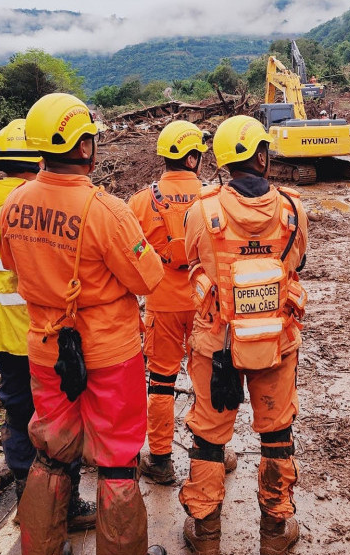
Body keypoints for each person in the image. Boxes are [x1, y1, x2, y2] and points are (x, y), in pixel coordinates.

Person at [0, 93, 168, 555]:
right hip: (109, 353)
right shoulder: (105, 210)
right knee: (117, 457)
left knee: (49, 452)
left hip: (47, 349)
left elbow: (13, 265)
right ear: (84, 144)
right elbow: (149, 278)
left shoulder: (14, 204)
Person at [179, 115, 308, 555]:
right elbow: (299, 260)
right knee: (277, 434)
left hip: (217, 344)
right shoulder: (293, 209)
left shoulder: (203, 210)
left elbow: (192, 257)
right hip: (275, 341)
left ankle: (207, 534)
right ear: (260, 155)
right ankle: (274, 533)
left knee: (209, 436)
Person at [0, 119, 95, 532]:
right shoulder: (31, 210)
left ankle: (27, 500)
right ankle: (66, 504)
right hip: (42, 336)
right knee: (60, 423)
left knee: (18, 415)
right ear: (36, 160)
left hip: (0, 336)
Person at [127, 120, 237, 484]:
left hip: (162, 302)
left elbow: (131, 255)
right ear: (192, 158)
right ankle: (214, 451)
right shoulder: (215, 198)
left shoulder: (141, 202)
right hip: (205, 301)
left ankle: (160, 459)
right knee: (209, 377)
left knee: (161, 382)